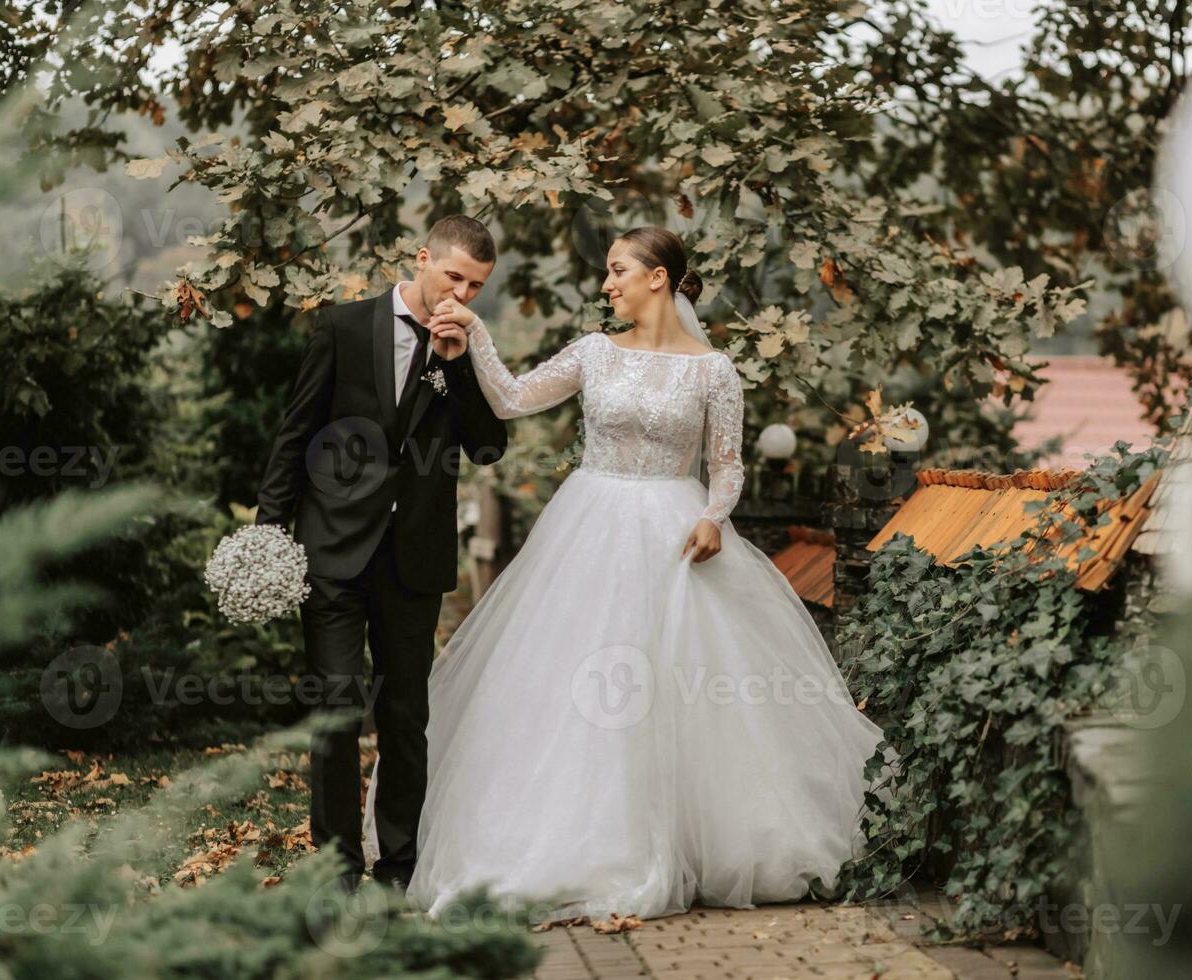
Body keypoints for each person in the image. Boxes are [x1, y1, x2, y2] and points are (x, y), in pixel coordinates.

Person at [363, 226, 883, 921]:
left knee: (681, 689)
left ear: (658, 278)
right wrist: (476, 333)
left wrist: (715, 516)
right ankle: (571, 841)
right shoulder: (594, 353)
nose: (607, 285)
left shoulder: (713, 370)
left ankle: (695, 839)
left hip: (676, 530)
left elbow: (727, 465)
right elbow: (515, 398)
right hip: (589, 524)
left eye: (617, 271)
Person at [255, 215, 508, 892]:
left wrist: (457, 366)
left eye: (476, 286)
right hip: (330, 551)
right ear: (422, 259)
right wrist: (267, 534)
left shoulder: (465, 344)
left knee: (404, 717)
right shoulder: (341, 327)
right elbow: (294, 434)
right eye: (453, 275)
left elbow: (488, 446)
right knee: (335, 710)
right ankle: (336, 869)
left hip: (414, 561)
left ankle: (399, 868)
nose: (463, 292)